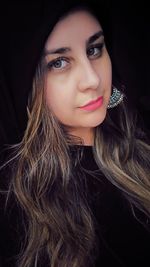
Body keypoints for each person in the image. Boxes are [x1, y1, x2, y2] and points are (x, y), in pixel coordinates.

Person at [0, 0, 150, 266]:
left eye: (94, 49)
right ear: (27, 82)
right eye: (59, 63)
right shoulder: (16, 201)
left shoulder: (140, 130)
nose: (92, 80)